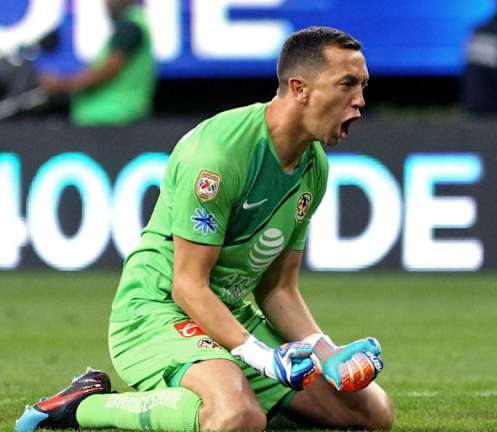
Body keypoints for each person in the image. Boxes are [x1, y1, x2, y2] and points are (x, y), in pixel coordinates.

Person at [16, 27, 393, 432]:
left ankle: (227, 395)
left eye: (363, 85)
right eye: (347, 84)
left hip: (225, 313)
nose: (360, 100)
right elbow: (188, 286)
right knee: (237, 415)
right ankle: (83, 406)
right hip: (156, 310)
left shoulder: (313, 166)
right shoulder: (220, 154)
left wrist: (326, 351)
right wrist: (261, 356)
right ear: (300, 89)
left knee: (371, 412)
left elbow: (279, 288)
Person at [38, 0, 155, 126]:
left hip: (112, 118)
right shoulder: (135, 24)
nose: (106, 3)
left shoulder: (130, 28)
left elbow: (109, 69)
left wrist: (62, 85)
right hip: (112, 117)